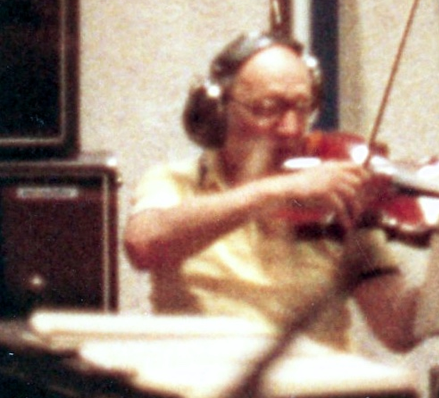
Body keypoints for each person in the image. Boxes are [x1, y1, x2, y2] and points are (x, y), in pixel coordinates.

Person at [123, 32, 420, 352]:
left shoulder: (334, 199)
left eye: (302, 107)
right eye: (267, 108)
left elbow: (397, 328)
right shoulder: (175, 182)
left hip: (317, 392)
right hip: (207, 389)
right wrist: (280, 190)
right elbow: (145, 244)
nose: (291, 128)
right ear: (218, 111)